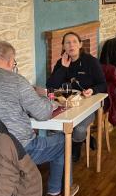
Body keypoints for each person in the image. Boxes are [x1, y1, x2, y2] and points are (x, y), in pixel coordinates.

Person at [0, 41, 79, 196]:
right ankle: (55, 192)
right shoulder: (16, 81)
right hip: (16, 150)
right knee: (62, 142)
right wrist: (48, 100)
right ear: (11, 62)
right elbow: (43, 113)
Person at [46, 31, 107, 162]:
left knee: (79, 129)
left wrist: (92, 90)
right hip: (67, 104)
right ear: (63, 46)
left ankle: (76, 146)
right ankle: (61, 153)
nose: (71, 45)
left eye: (74, 41)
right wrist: (63, 68)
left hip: (87, 103)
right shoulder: (61, 62)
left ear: (80, 44)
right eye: (67, 42)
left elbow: (103, 84)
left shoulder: (91, 61)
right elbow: (51, 85)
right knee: (56, 128)